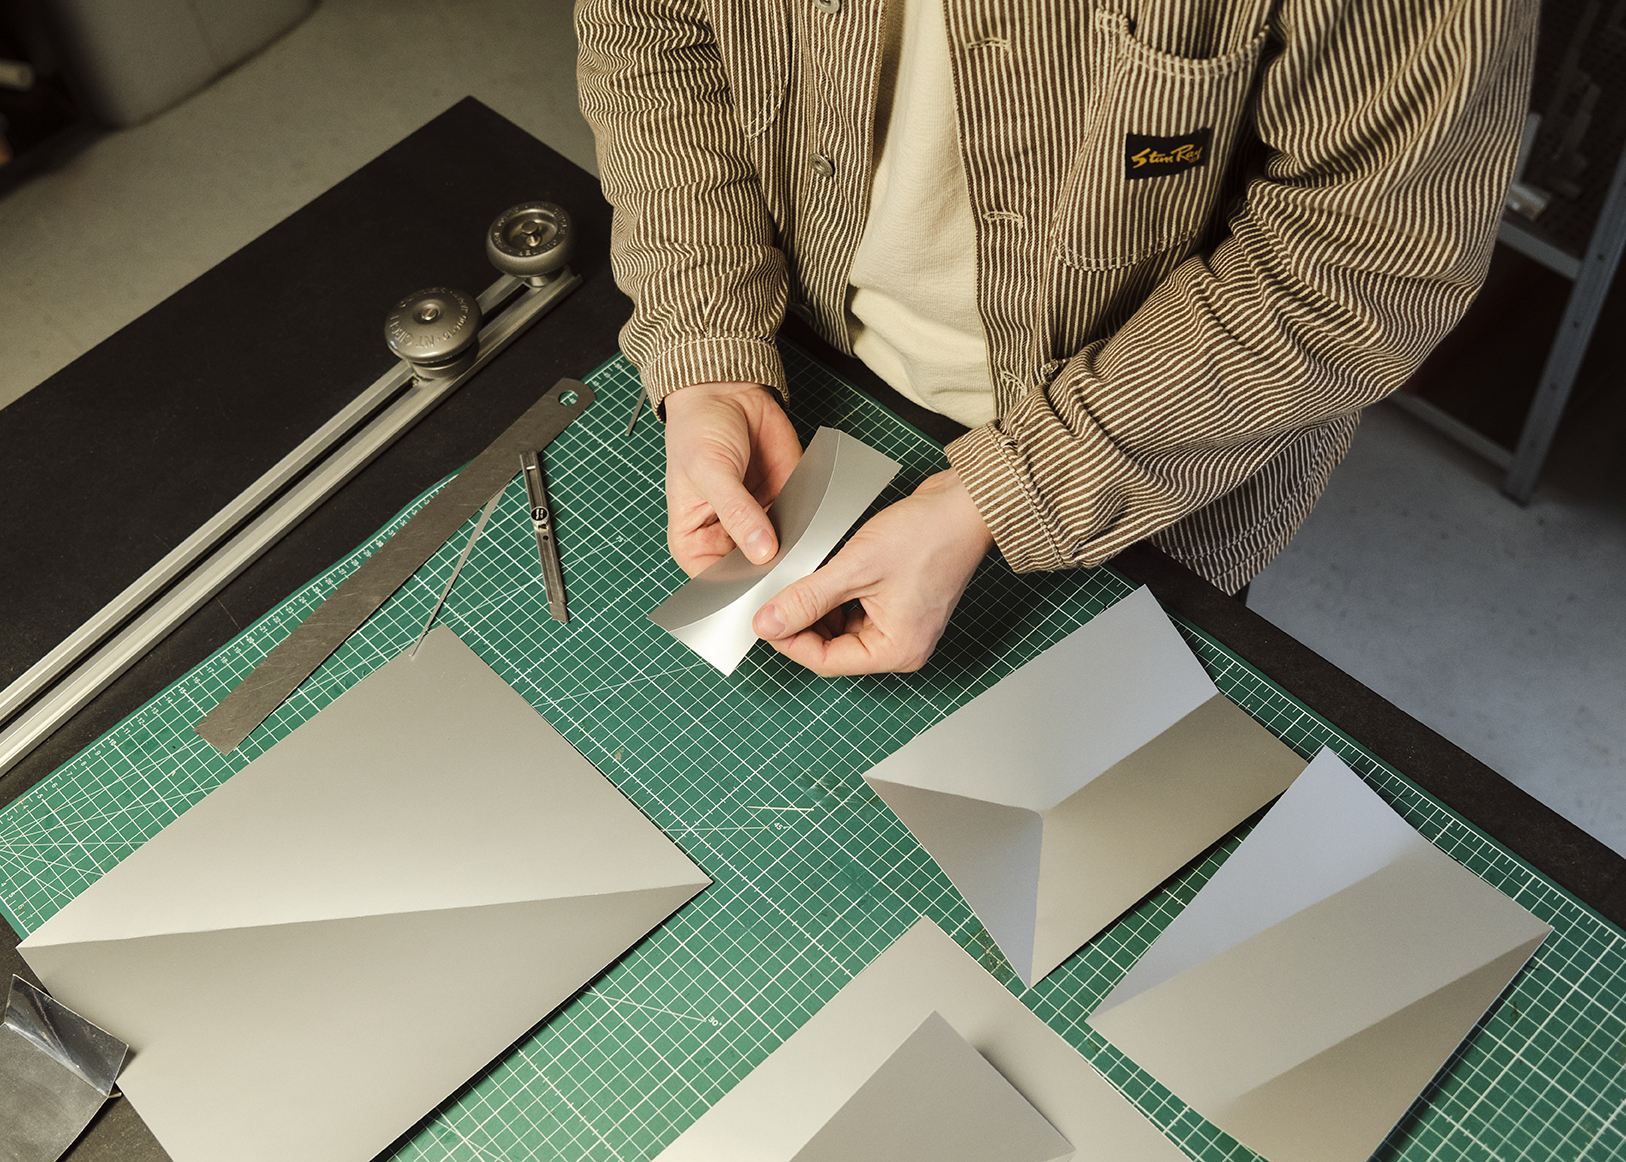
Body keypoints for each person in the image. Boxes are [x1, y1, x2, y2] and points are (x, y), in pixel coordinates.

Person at [576, 0, 1537, 676]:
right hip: (812, 369)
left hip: (1144, 473)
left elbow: (1360, 264)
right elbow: (648, 37)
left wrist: (1005, 493)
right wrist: (708, 346)